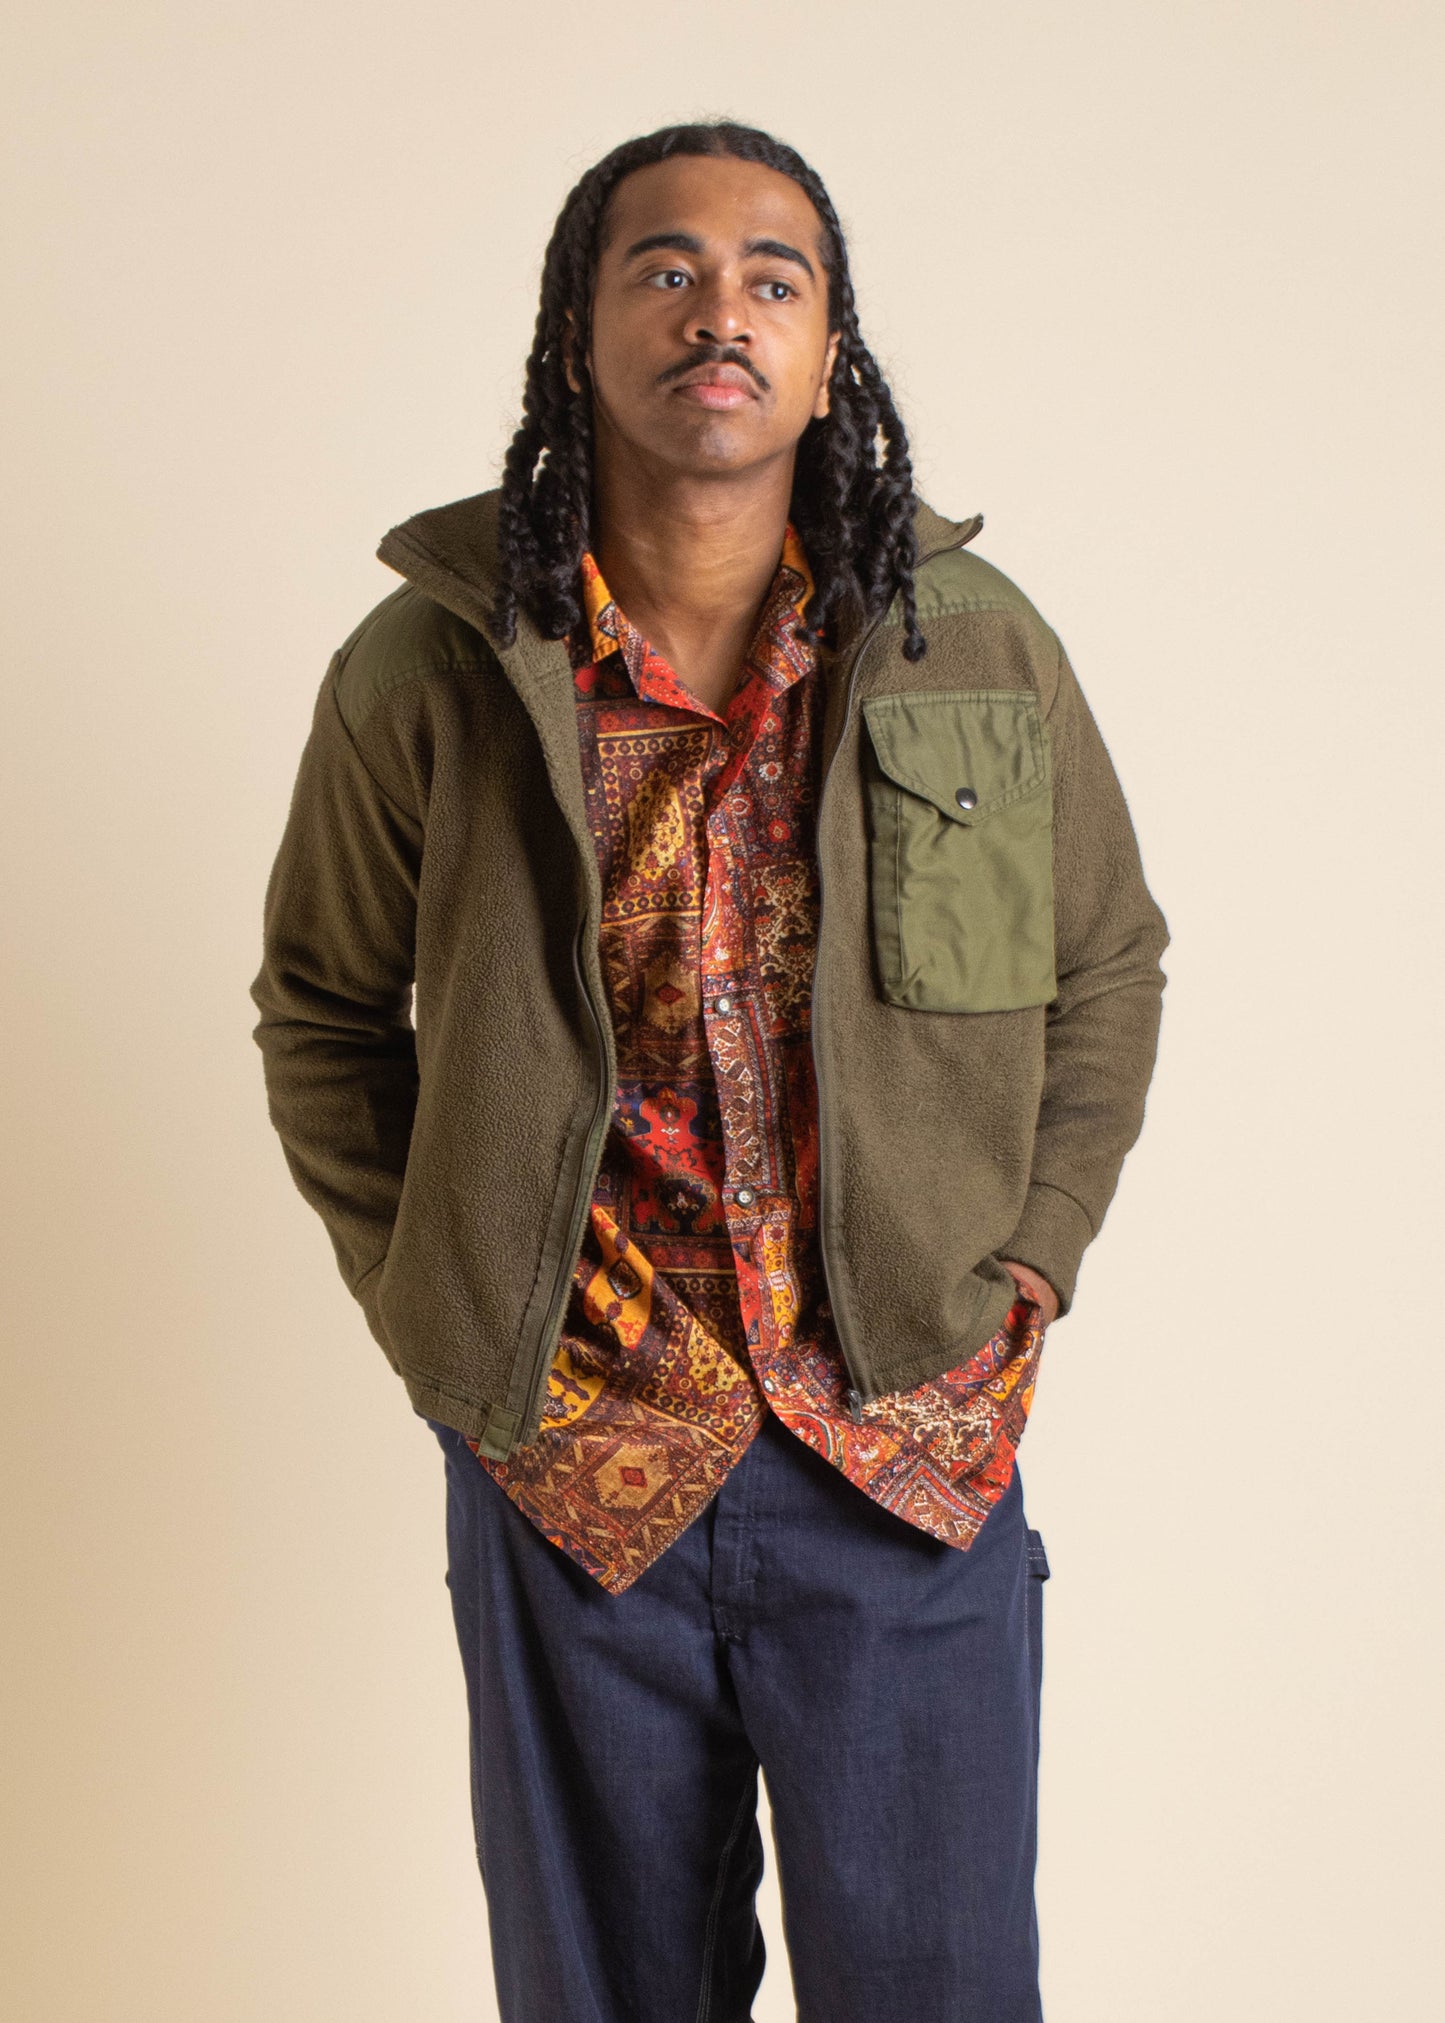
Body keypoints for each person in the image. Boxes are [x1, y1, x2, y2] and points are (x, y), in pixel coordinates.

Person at [251, 119, 1168, 2023]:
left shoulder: (972, 650)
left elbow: (1100, 966)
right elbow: (325, 1014)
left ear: (828, 354)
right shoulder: (431, 669)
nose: (718, 313)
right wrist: (439, 1304)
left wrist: (1033, 1256)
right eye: (662, 270)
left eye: (772, 278)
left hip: (906, 1446)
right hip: (574, 1452)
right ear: (577, 334)